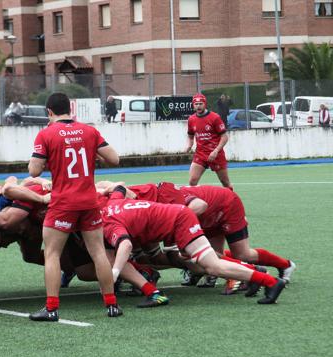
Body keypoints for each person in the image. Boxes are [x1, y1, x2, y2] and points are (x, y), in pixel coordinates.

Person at [28, 92, 122, 322]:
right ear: (70, 108)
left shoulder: (46, 134)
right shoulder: (89, 131)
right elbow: (114, 159)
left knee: (52, 254)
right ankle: (111, 305)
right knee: (98, 252)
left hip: (63, 203)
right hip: (89, 201)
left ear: (49, 112)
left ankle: (51, 309)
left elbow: (34, 171)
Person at [102, 197, 287, 305]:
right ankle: (260, 277)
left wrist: (114, 274)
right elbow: (118, 186)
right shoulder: (111, 202)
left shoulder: (107, 223)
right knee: (208, 263)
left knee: (212, 267)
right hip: (178, 216)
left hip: (179, 222)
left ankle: (270, 281)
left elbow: (125, 246)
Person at [184, 93, 232, 189]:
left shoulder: (215, 117)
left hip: (216, 154)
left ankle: (232, 201)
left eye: (200, 103)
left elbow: (224, 137)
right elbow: (190, 136)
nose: (198, 106)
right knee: (192, 181)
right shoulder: (191, 119)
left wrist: (216, 151)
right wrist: (189, 146)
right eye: (196, 104)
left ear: (205, 104)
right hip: (200, 154)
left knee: (225, 183)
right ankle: (198, 202)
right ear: (193, 105)